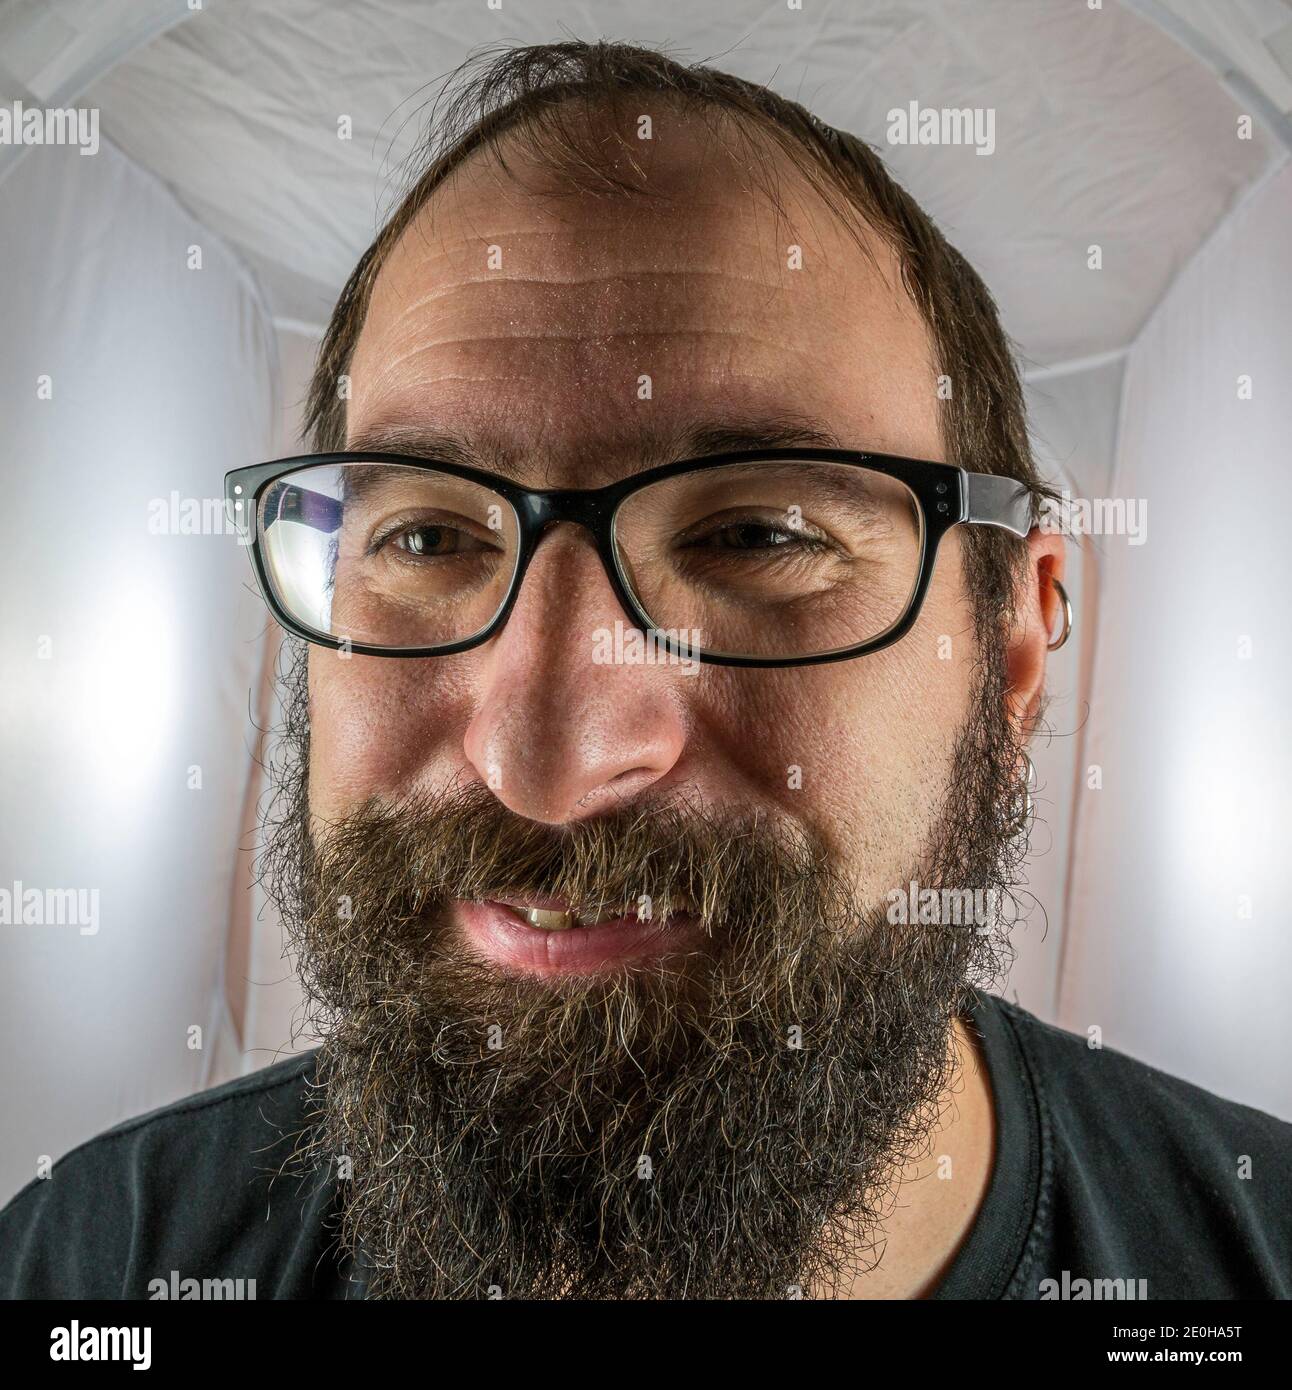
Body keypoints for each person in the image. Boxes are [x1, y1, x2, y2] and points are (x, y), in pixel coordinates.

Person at [3, 40, 1288, 1301]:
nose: (544, 759)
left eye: (757, 536)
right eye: (429, 535)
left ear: (1013, 646)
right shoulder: (93, 1262)